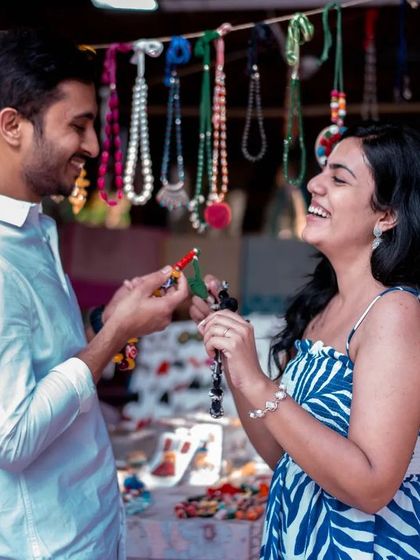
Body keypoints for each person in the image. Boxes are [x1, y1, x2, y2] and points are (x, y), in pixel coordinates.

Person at [190, 122, 420, 559]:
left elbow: (371, 487)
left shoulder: (395, 313)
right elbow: (285, 453)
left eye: (339, 178)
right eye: (322, 173)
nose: (313, 184)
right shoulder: (323, 307)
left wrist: (259, 382)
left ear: (386, 215)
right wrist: (236, 359)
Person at [0, 28, 188, 559]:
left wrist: (121, 314)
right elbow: (11, 440)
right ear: (12, 126)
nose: (94, 145)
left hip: (91, 524)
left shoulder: (35, 230)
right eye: (78, 125)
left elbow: (57, 359)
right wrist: (116, 334)